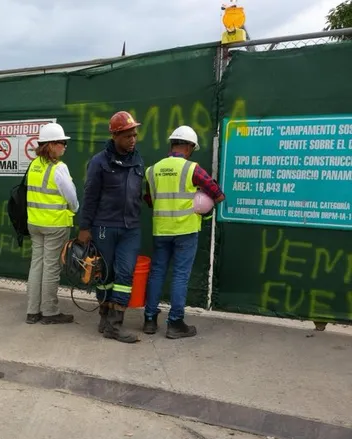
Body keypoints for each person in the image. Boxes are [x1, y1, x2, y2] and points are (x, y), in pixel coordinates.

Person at [142, 125, 225, 339]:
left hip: (161, 230)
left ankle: (149, 320)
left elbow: (150, 199)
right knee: (180, 276)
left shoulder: (152, 170)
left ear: (172, 144)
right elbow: (217, 193)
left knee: (157, 273)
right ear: (188, 147)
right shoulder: (192, 169)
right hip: (186, 230)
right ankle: (175, 323)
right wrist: (203, 200)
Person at [78, 111, 145, 344]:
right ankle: (105, 317)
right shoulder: (99, 162)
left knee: (125, 273)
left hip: (131, 229)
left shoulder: (138, 160)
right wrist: (84, 228)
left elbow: (138, 192)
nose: (133, 139)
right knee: (105, 275)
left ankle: (116, 325)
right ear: (115, 135)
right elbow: (90, 196)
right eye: (128, 135)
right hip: (104, 226)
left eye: (135, 135)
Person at [25, 123, 79, 325]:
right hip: (55, 225)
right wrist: (74, 209)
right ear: (52, 145)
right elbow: (72, 197)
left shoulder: (34, 165)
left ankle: (32, 311)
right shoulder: (59, 168)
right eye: (62, 143)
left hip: (35, 223)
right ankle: (49, 312)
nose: (65, 146)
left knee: (36, 265)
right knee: (51, 268)